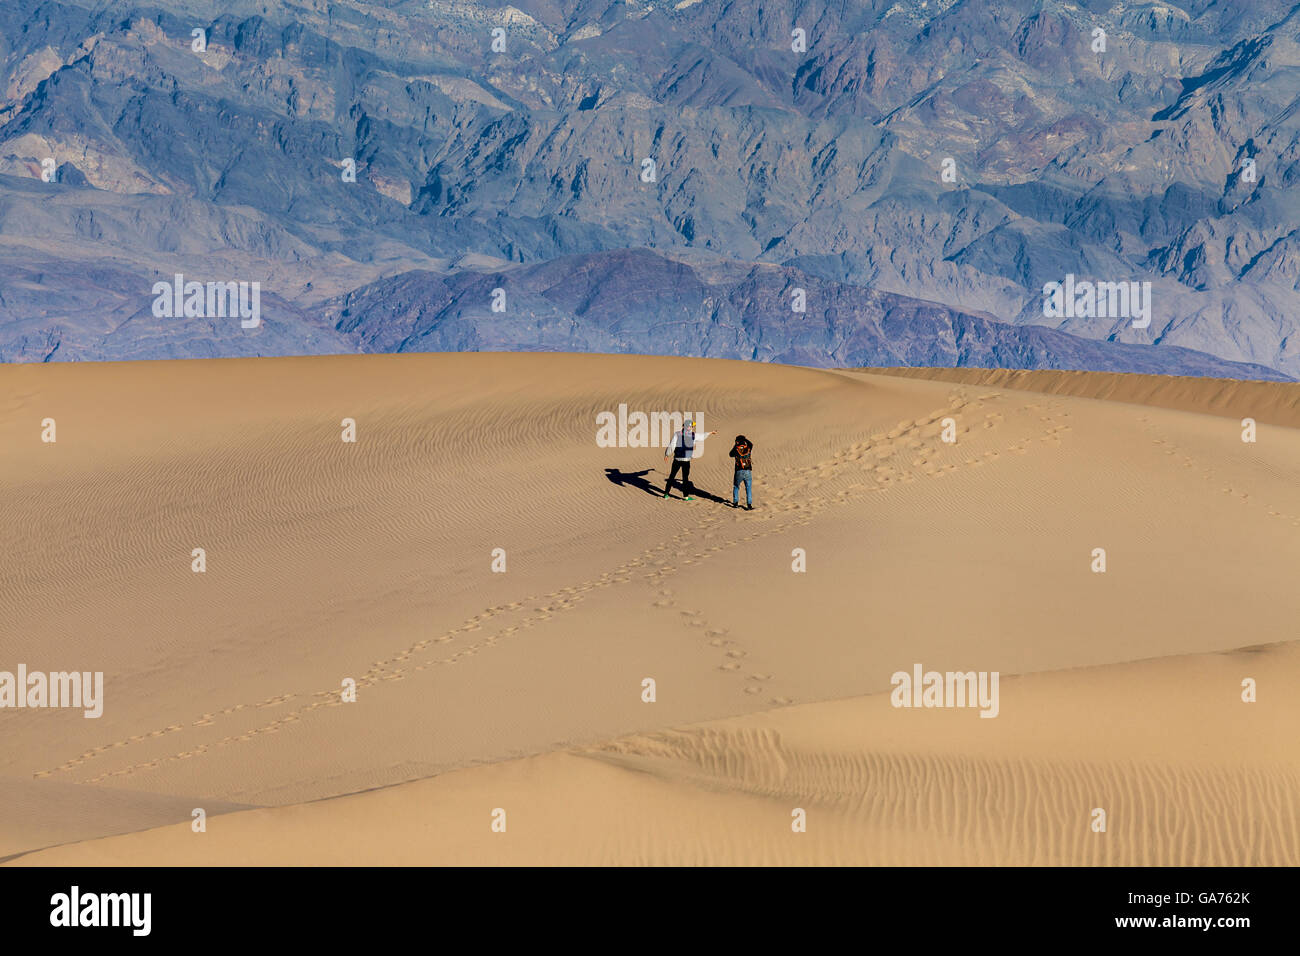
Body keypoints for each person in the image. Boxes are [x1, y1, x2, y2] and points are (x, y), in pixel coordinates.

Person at [662, 419, 716, 501]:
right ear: (688, 427)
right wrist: (710, 433)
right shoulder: (693, 435)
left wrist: (667, 454)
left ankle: (666, 494)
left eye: (693, 426)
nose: (692, 427)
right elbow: (702, 436)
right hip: (685, 460)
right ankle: (686, 496)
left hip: (678, 459)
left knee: (672, 476)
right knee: (685, 478)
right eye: (692, 426)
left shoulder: (678, 434)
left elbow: (671, 446)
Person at [730, 435, 754, 510]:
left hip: (738, 471)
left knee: (736, 487)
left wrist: (736, 445)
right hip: (747, 471)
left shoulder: (736, 449)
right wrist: (745, 440)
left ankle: (735, 503)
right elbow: (751, 444)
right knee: (748, 488)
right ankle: (749, 505)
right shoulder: (748, 448)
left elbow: (730, 454)